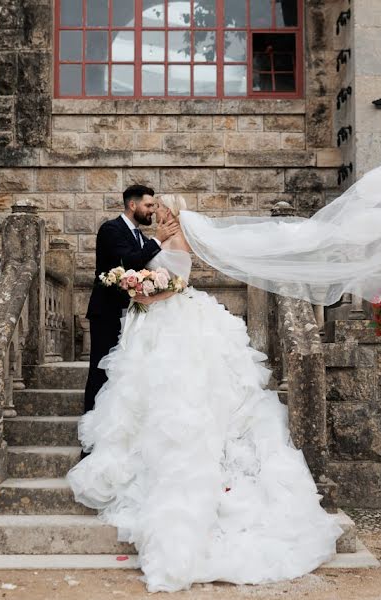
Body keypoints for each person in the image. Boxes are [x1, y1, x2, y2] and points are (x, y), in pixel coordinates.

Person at [67, 195, 343, 593]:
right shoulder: (159, 240)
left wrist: (145, 293)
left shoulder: (176, 243)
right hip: (155, 324)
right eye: (154, 210)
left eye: (161, 211)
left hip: (171, 319)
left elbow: (175, 284)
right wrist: (141, 285)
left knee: (178, 390)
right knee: (141, 392)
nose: (157, 215)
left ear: (172, 216)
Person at [82, 185, 181, 425]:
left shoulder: (141, 237)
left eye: (154, 206)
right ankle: (90, 429)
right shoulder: (111, 229)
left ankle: (111, 424)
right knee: (100, 370)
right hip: (107, 311)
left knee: (119, 373)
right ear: (133, 205)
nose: (151, 210)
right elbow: (129, 260)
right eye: (148, 206)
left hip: (132, 315)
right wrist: (159, 239)